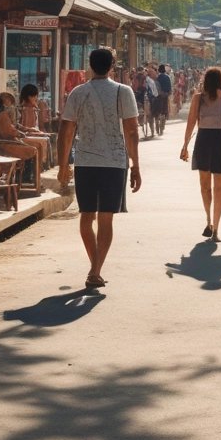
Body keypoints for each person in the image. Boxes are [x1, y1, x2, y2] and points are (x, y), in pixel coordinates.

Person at [57, 48, 141, 289]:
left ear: (90, 65)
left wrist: (63, 165)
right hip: (114, 163)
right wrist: (135, 165)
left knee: (86, 216)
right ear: (112, 66)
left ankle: (95, 268)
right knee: (106, 218)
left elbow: (66, 131)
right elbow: (132, 130)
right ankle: (95, 269)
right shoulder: (123, 92)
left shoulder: (78, 92)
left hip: (85, 162)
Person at [180, 66, 221, 242]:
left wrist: (185, 145)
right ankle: (216, 228)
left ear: (205, 80)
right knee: (219, 186)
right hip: (219, 140)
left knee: (205, 185)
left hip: (203, 140)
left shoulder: (198, 98)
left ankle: (208, 220)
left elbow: (191, 123)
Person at [153, 63, 172, 135]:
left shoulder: (157, 78)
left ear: (159, 70)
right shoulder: (167, 77)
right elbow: (169, 88)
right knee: (164, 111)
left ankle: (157, 127)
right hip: (165, 96)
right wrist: (168, 93)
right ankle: (162, 127)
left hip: (158, 96)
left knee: (158, 111)